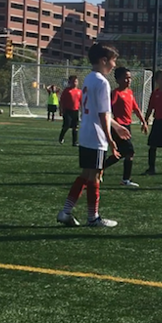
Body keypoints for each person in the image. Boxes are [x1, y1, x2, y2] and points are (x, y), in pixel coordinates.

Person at [56, 44, 121, 228]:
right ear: (103, 61)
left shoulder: (89, 79)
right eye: (113, 60)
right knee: (95, 176)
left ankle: (66, 212)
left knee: (86, 174)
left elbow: (98, 111)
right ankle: (93, 217)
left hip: (85, 132)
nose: (114, 65)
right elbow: (103, 114)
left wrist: (116, 125)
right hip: (96, 135)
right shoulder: (102, 82)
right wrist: (111, 139)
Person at [102, 67, 148, 187]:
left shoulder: (130, 92)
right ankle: (125, 180)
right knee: (130, 152)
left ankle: (100, 168)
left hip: (127, 126)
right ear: (118, 80)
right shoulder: (115, 93)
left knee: (121, 153)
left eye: (129, 78)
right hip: (118, 127)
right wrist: (112, 124)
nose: (128, 80)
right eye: (125, 78)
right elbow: (107, 109)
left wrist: (143, 121)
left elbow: (135, 108)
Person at [58, 76, 82, 146]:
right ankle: (61, 137)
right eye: (73, 81)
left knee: (75, 127)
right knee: (67, 125)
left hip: (75, 111)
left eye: (76, 81)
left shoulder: (79, 91)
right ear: (70, 82)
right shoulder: (67, 91)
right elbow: (61, 101)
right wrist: (61, 110)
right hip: (67, 111)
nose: (75, 83)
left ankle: (74, 142)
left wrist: (82, 111)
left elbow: (81, 102)